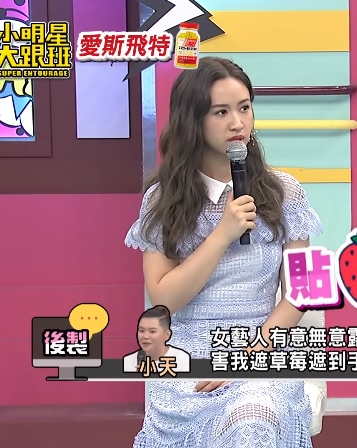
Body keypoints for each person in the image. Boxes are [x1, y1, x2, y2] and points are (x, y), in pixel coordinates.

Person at [124, 57, 323, 448]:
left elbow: (309, 289)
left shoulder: (286, 191)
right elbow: (164, 299)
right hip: (188, 356)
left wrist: (248, 355)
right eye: (221, 112)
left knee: (252, 421)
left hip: (261, 348)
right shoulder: (163, 199)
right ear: (193, 121)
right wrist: (221, 235)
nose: (238, 123)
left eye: (244, 108)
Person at [123, 305, 191, 374]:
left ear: (167, 335)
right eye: (141, 330)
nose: (145, 336)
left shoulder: (182, 359)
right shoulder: (127, 362)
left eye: (152, 331)